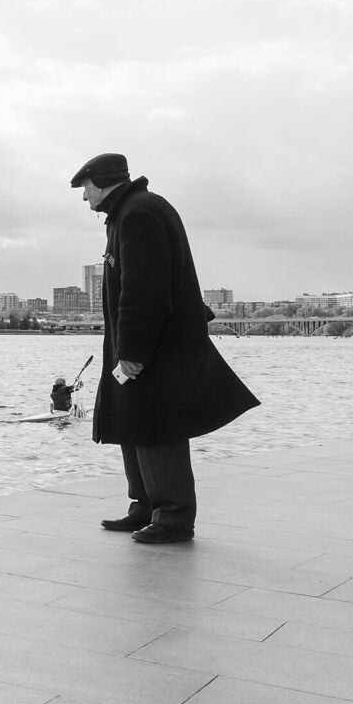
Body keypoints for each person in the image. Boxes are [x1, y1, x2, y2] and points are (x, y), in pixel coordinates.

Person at [72, 153, 259, 543]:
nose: (83, 196)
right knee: (132, 423)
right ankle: (144, 505)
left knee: (156, 427)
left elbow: (145, 291)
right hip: (146, 344)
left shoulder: (138, 214)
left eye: (84, 186)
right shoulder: (133, 211)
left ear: (101, 181)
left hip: (153, 350)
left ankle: (173, 516)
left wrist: (132, 352)